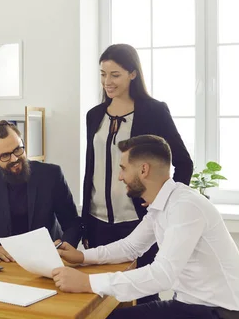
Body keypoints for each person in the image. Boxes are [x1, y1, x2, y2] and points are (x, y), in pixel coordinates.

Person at [53, 135, 239, 319]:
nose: (120, 177)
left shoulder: (185, 206)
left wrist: (87, 282)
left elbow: (162, 275)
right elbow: (131, 247)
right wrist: (82, 256)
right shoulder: (161, 205)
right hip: (186, 308)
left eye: (123, 168)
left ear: (144, 170)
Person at [82, 43, 193, 303]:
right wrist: (84, 222)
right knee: (99, 303)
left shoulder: (154, 111)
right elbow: (91, 168)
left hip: (139, 222)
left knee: (143, 303)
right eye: (102, 74)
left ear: (133, 73)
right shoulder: (94, 115)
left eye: (115, 75)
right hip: (97, 222)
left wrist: (165, 204)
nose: (107, 82)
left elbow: (184, 163)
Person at [0, 120, 83, 262]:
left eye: (18, 149)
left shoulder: (51, 175)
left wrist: (62, 249)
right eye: (5, 156)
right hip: (5, 265)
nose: (15, 158)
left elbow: (73, 224)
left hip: (47, 259)